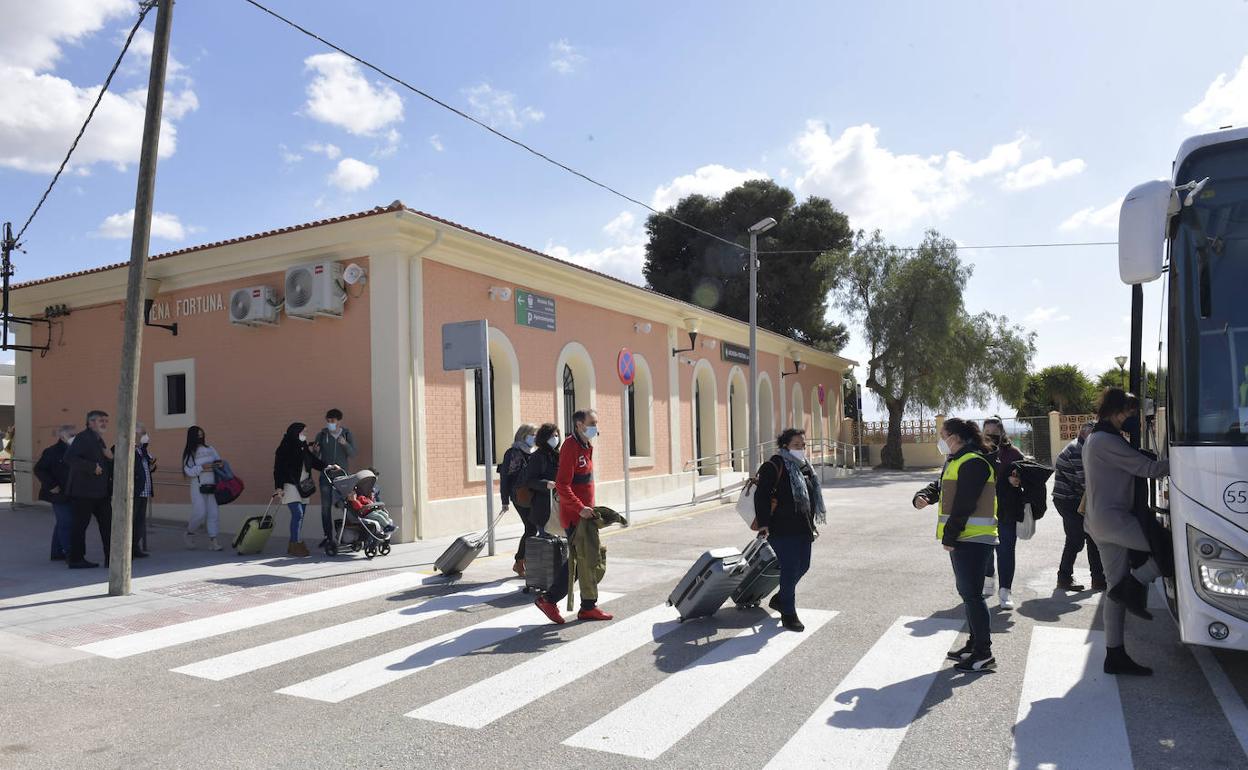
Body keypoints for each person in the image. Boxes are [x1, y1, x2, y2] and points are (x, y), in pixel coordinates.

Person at [1083, 388, 1170, 676]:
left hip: (1101, 523)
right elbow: (1149, 469)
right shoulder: (1107, 440)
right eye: (1131, 412)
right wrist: (1189, 462)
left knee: (1113, 591)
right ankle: (1130, 589)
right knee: (1170, 551)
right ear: (1117, 411)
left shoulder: (1096, 438)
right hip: (1115, 522)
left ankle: (1114, 655)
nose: (1134, 417)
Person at [913, 417, 999, 673]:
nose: (941, 439)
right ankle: (974, 645)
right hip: (965, 537)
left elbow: (965, 503)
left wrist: (950, 537)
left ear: (956, 437)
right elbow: (943, 487)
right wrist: (925, 495)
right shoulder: (957, 460)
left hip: (972, 538)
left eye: (943, 434)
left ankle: (984, 653)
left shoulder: (973, 462)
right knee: (969, 594)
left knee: (973, 595)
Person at [540, 409, 628, 624]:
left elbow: (583, 481)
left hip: (586, 515)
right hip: (575, 516)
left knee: (583, 561)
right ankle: (553, 600)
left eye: (596, 423)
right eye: (592, 423)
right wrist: (579, 508)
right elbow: (562, 484)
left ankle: (582, 605)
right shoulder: (570, 446)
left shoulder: (586, 445)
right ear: (579, 424)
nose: (595, 427)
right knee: (584, 560)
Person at [752, 427, 825, 632]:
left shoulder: (805, 467)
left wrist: (812, 524)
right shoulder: (774, 465)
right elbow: (762, 496)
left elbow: (810, 498)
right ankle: (788, 613)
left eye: (803, 445)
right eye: (796, 445)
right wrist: (764, 523)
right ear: (785, 446)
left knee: (804, 566)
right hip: (781, 528)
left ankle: (780, 598)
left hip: (803, 527)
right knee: (790, 567)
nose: (801, 448)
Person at [1053, 421, 1106, 592]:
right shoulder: (1078, 450)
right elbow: (1087, 482)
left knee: (1091, 538)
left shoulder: (1084, 448)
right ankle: (1064, 578)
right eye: (1093, 435)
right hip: (1068, 501)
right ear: (1084, 434)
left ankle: (1097, 579)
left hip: (1076, 500)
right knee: (1076, 539)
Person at [63, 410, 114, 569]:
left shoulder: (98, 440)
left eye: (106, 421)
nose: (105, 423)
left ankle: (111, 558)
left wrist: (110, 458)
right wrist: (92, 467)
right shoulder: (83, 438)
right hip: (84, 492)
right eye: (101, 421)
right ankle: (76, 559)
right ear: (91, 422)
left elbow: (105, 463)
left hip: (100, 492)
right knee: (80, 526)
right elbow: (69, 458)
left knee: (108, 525)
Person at [981, 418, 1023, 610]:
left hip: (1006, 510)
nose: (990, 435)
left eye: (994, 431)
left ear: (1001, 432)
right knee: (986, 551)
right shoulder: (977, 452)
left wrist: (1016, 480)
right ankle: (989, 580)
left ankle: (1005, 590)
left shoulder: (1012, 453)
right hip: (983, 510)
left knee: (1006, 551)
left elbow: (1024, 474)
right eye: (986, 431)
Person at [273, 422, 330, 558]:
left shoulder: (303, 446)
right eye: (303, 432)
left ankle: (294, 543)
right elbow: (278, 469)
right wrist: (279, 487)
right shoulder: (284, 448)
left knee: (301, 516)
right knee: (297, 514)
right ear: (296, 432)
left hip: (304, 485)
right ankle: (295, 543)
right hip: (291, 485)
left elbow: (312, 460)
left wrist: (327, 466)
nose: (306, 434)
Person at [499, 423, 538, 578]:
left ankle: (522, 560)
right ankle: (520, 561)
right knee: (531, 527)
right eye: (532, 434)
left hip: (532, 494)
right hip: (519, 495)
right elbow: (504, 478)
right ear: (524, 435)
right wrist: (505, 501)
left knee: (532, 528)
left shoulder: (533, 452)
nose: (534, 438)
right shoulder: (512, 453)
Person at [314, 409, 356, 548]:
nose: (330, 423)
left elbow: (353, 453)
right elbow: (316, 457)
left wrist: (344, 443)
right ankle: (328, 537)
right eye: (328, 421)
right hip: (326, 477)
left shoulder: (346, 434)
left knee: (345, 506)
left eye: (332, 421)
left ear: (339, 421)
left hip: (341, 477)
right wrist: (315, 451)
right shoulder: (322, 435)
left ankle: (350, 534)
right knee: (325, 508)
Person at [35, 425, 76, 561]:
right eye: (71, 435)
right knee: (66, 522)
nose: (74, 437)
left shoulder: (76, 451)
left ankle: (57, 552)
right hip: (58, 493)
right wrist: (51, 485)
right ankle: (70, 553)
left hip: (74, 492)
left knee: (62, 522)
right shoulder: (52, 451)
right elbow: (39, 469)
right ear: (62, 436)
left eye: (74, 434)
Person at [116, 423, 156, 558]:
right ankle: (125, 550)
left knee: (139, 522)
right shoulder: (124, 449)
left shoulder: (141, 450)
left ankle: (134, 548)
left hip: (144, 491)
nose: (141, 437)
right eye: (139, 434)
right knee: (130, 521)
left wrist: (152, 465)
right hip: (134, 491)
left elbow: (146, 465)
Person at [182, 426, 224, 551]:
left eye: (202, 434)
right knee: (200, 512)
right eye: (198, 435)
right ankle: (189, 532)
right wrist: (202, 467)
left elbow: (218, 460)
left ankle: (213, 540)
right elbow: (188, 471)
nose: (201, 437)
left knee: (213, 513)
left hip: (212, 484)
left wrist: (219, 464)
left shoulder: (210, 449)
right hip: (198, 485)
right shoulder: (190, 453)